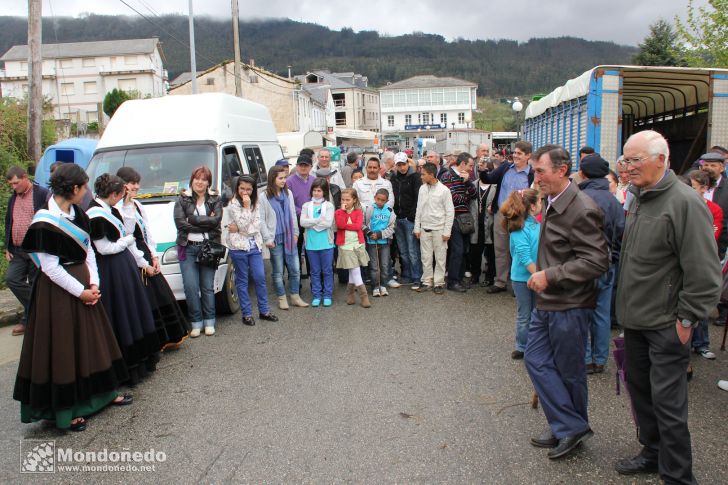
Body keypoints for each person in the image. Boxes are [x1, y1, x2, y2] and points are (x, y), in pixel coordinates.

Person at [614, 131, 721, 483]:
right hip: (637, 319)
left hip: (666, 324)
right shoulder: (639, 197)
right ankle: (653, 452)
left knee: (669, 405)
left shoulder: (685, 203)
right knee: (642, 395)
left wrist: (687, 318)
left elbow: (704, 271)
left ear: (662, 160)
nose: (627, 167)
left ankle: (677, 475)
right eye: (625, 160)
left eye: (635, 160)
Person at [15, 164, 132, 432]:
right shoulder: (44, 222)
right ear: (75, 188)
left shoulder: (78, 213)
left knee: (93, 344)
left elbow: (88, 250)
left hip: (85, 285)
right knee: (65, 350)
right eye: (85, 187)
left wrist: (94, 283)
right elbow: (50, 268)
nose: (87, 191)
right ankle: (68, 410)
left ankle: (103, 394)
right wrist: (80, 292)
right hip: (58, 294)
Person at [524, 144, 609, 460]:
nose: (536, 177)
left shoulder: (582, 208)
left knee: (569, 371)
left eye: (540, 171)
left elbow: (598, 260)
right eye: (535, 171)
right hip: (549, 301)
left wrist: (551, 275)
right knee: (535, 360)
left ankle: (569, 428)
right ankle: (568, 424)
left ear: (562, 170)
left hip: (570, 304)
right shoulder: (552, 200)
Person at [88, 174, 160, 384]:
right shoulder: (96, 215)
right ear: (112, 194)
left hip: (123, 268)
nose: (121, 199)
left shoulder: (110, 210)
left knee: (133, 314)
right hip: (111, 272)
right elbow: (104, 248)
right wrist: (127, 240)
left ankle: (139, 362)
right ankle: (125, 367)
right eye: (120, 196)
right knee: (121, 316)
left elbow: (126, 233)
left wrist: (143, 263)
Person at [116, 167, 190, 350]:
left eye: (136, 183)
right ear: (123, 185)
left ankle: (167, 338)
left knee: (160, 294)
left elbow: (147, 231)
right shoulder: (118, 208)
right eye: (133, 183)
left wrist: (154, 255)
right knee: (144, 298)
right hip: (132, 255)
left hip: (144, 250)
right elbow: (127, 236)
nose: (137, 186)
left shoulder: (138, 205)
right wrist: (143, 262)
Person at [576, 154, 625, 374]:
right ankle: (600, 358)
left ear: (583, 173)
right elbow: (622, 233)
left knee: (583, 311)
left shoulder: (580, 197)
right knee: (602, 313)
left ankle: (586, 358)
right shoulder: (614, 201)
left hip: (585, 264)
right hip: (608, 263)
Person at [479, 141, 534, 294]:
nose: (515, 156)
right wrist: (482, 171)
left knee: (520, 249)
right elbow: (488, 179)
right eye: (515, 152)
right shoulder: (505, 168)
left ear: (528, 156)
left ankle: (521, 284)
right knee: (501, 249)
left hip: (521, 217)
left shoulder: (531, 175)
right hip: (501, 215)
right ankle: (501, 282)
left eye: (519, 153)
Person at [173, 166, 222, 337]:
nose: (199, 182)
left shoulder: (215, 199)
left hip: (208, 247)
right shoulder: (182, 199)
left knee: (207, 286)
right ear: (192, 179)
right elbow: (180, 223)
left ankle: (209, 321)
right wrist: (205, 221)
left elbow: (216, 221)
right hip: (187, 247)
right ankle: (196, 322)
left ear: (208, 182)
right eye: (197, 178)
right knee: (191, 287)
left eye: (204, 179)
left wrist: (192, 219)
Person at [224, 175, 278, 326]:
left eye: (248, 189)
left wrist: (241, 228)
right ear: (237, 188)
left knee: (260, 277)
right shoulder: (233, 204)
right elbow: (241, 222)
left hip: (254, 245)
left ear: (253, 189)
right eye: (242, 188)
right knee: (242, 280)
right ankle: (246, 314)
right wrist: (246, 209)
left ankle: (264, 311)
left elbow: (256, 225)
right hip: (238, 247)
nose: (245, 192)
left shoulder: (256, 202)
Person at [4, 166, 50, 336]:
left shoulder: (41, 194)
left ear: (25, 178)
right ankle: (41, 309)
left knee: (35, 283)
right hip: (18, 249)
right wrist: (7, 247)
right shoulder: (12, 198)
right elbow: (9, 222)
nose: (14, 187)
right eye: (11, 184)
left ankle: (28, 319)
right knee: (12, 279)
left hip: (36, 249)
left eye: (16, 183)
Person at [500, 188, 541, 360]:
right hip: (522, 278)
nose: (541, 204)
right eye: (539, 201)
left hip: (536, 274)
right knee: (525, 314)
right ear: (531, 206)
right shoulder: (518, 228)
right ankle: (522, 346)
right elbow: (524, 256)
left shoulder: (536, 223)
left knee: (537, 313)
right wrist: (539, 275)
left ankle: (536, 345)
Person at [260, 165, 309, 310]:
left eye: (284, 178)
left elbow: (293, 214)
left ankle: (295, 296)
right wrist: (268, 238)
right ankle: (281, 297)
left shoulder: (288, 193)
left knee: (295, 269)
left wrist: (295, 233)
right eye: (280, 178)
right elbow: (261, 219)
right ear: (272, 178)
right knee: (278, 271)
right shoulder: (264, 197)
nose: (283, 181)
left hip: (289, 237)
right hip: (275, 238)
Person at [684, 170, 720, 362]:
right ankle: (688, 346)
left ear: (704, 189)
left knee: (701, 307)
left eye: (693, 187)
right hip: (685, 264)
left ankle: (702, 343)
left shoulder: (712, 209)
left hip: (702, 261)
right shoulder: (684, 205)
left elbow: (713, 234)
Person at [414, 162, 455, 295]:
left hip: (439, 229)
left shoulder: (444, 190)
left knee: (440, 258)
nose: (421, 177)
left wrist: (447, 231)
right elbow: (419, 209)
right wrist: (417, 227)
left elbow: (450, 212)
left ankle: (438, 283)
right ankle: (427, 281)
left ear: (431, 175)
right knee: (425, 257)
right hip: (425, 228)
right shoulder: (422, 189)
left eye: (423, 174)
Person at [439, 152, 477, 292]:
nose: (471, 169)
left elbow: (474, 195)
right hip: (453, 218)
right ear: (462, 164)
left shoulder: (467, 178)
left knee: (464, 250)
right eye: (470, 166)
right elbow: (452, 197)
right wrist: (465, 196)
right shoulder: (447, 176)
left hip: (465, 218)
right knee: (457, 250)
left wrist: (467, 183)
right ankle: (453, 281)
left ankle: (459, 279)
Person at [300, 178, 336, 307]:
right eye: (314, 190)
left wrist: (311, 221)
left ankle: (327, 295)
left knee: (327, 271)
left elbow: (327, 223)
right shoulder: (306, 205)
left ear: (324, 192)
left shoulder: (329, 206)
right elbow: (302, 222)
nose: (316, 193)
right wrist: (317, 220)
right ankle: (316, 295)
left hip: (326, 243)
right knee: (314, 271)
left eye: (319, 191)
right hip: (311, 244)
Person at [390, 151, 422, 288]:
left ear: (408, 163)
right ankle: (407, 274)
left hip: (409, 219)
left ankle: (417, 276)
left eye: (403, 164)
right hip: (398, 218)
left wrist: (412, 215)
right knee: (402, 250)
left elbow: (418, 198)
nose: (402, 167)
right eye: (399, 165)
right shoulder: (393, 177)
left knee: (412, 250)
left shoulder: (415, 177)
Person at [335, 188, 371, 308]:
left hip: (358, 244)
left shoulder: (358, 212)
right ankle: (364, 296)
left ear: (354, 200)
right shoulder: (339, 212)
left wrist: (347, 226)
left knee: (352, 270)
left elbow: (358, 226)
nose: (345, 202)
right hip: (345, 246)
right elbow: (340, 225)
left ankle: (349, 294)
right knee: (355, 270)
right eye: (342, 199)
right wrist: (343, 212)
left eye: (348, 199)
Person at [469, 157, 497, 288]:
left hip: (490, 224)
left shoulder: (496, 186)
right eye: (479, 167)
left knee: (491, 253)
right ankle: (475, 275)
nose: (481, 169)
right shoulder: (473, 185)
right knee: (475, 252)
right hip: (476, 224)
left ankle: (490, 277)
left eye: (484, 167)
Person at [287, 155, 315, 279]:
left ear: (311, 167)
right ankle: (296, 278)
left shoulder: (314, 180)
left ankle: (311, 276)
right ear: (297, 166)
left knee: (311, 248)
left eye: (306, 165)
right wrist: (302, 212)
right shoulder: (289, 181)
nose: (303, 167)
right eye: (300, 165)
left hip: (311, 219)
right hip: (296, 219)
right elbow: (288, 202)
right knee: (296, 249)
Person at [364, 188, 396, 297]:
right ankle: (375, 286)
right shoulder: (369, 209)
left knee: (385, 264)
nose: (380, 202)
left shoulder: (390, 211)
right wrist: (369, 233)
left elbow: (392, 227)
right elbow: (363, 224)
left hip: (384, 241)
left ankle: (383, 285)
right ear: (375, 198)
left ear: (387, 200)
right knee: (374, 265)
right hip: (371, 242)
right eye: (378, 199)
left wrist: (379, 234)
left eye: (383, 200)